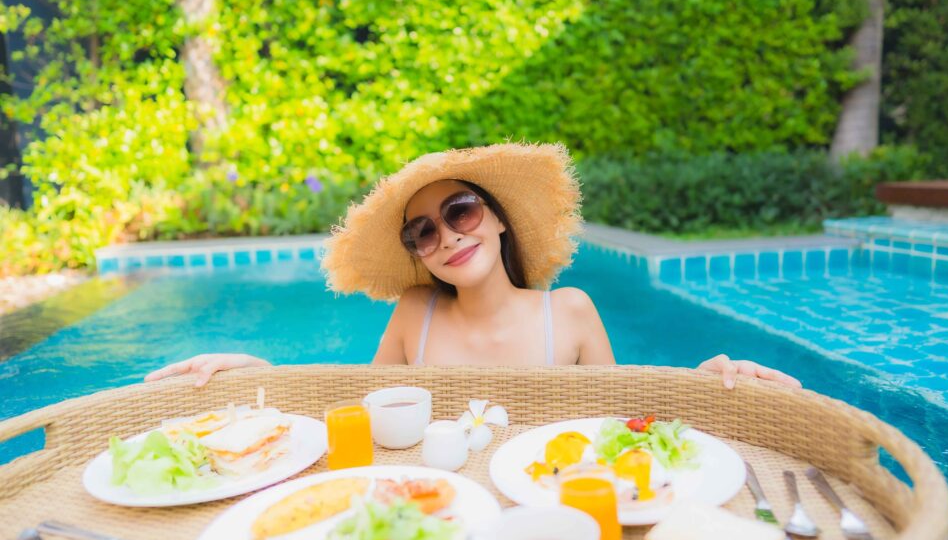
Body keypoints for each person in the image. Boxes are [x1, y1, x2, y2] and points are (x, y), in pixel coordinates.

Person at [145, 143, 801, 390]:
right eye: (422, 230)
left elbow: (625, 411)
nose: (448, 236)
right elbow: (352, 403)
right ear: (417, 251)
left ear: (497, 218)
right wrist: (264, 376)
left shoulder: (569, 311)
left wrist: (704, 380)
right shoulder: (414, 315)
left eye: (460, 211)